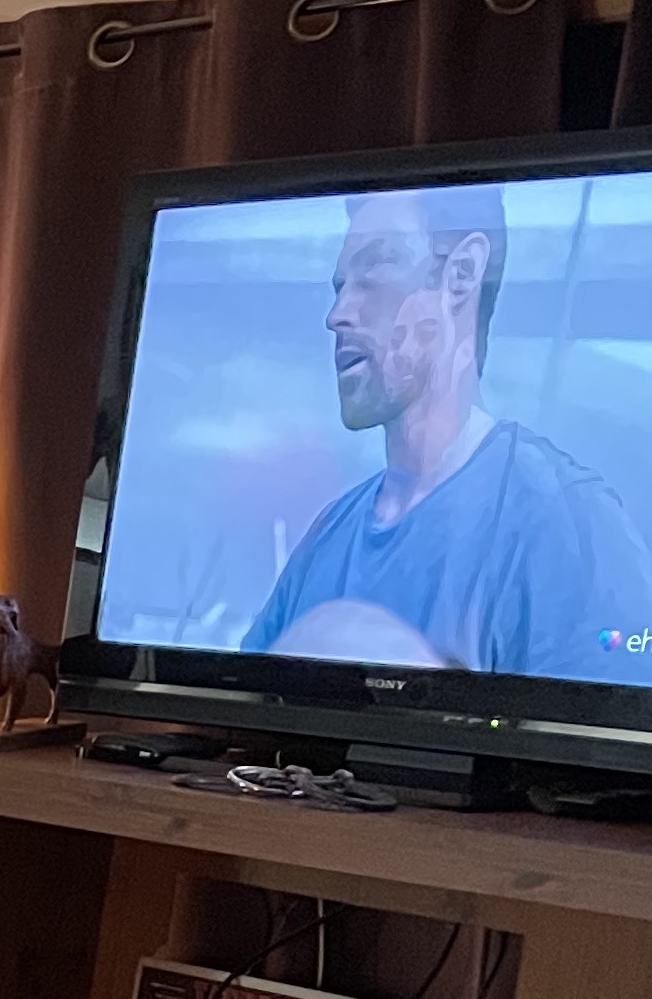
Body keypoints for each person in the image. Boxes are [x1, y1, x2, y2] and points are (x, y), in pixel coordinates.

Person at [246, 187, 652, 681]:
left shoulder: (565, 521)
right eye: (340, 286)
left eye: (372, 274)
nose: (338, 315)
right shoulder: (327, 537)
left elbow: (605, 717)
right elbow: (242, 701)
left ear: (461, 274)